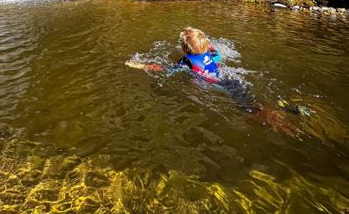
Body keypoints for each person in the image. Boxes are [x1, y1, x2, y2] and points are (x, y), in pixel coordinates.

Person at [126, 27, 308, 133]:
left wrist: (144, 66)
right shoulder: (210, 56)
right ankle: (290, 108)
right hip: (232, 79)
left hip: (223, 86)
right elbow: (218, 55)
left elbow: (167, 70)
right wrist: (210, 46)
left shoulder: (187, 61)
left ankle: (279, 121)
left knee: (251, 108)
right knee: (251, 99)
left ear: (184, 48)